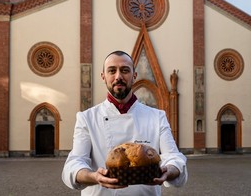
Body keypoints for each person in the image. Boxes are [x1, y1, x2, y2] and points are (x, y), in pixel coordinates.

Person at [62, 50, 187, 195]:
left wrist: (168, 171)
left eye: (125, 70)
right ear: (103, 76)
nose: (118, 76)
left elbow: (173, 156)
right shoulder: (87, 118)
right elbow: (74, 163)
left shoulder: (157, 117)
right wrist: (94, 177)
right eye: (112, 71)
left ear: (134, 76)